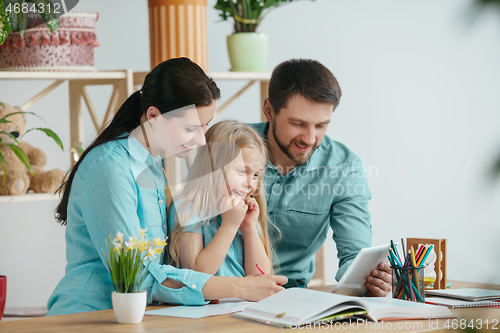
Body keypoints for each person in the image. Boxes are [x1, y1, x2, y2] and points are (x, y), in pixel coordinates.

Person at [47, 58, 286, 316]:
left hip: (133, 314)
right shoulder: (109, 167)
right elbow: (136, 274)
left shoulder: (153, 166)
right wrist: (235, 287)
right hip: (88, 314)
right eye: (190, 128)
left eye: (205, 125)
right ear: (153, 116)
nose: (201, 139)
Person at [250, 59, 391, 296]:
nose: (310, 138)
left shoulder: (345, 168)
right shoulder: (227, 146)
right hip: (222, 293)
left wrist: (369, 278)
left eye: (321, 126)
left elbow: (354, 255)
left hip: (290, 295)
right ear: (269, 110)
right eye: (297, 123)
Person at [168, 120, 277, 277]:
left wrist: (248, 227)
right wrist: (229, 226)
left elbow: (261, 276)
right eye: (241, 171)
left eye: (255, 175)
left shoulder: (243, 213)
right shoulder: (188, 208)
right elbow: (197, 275)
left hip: (243, 301)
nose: (250, 183)